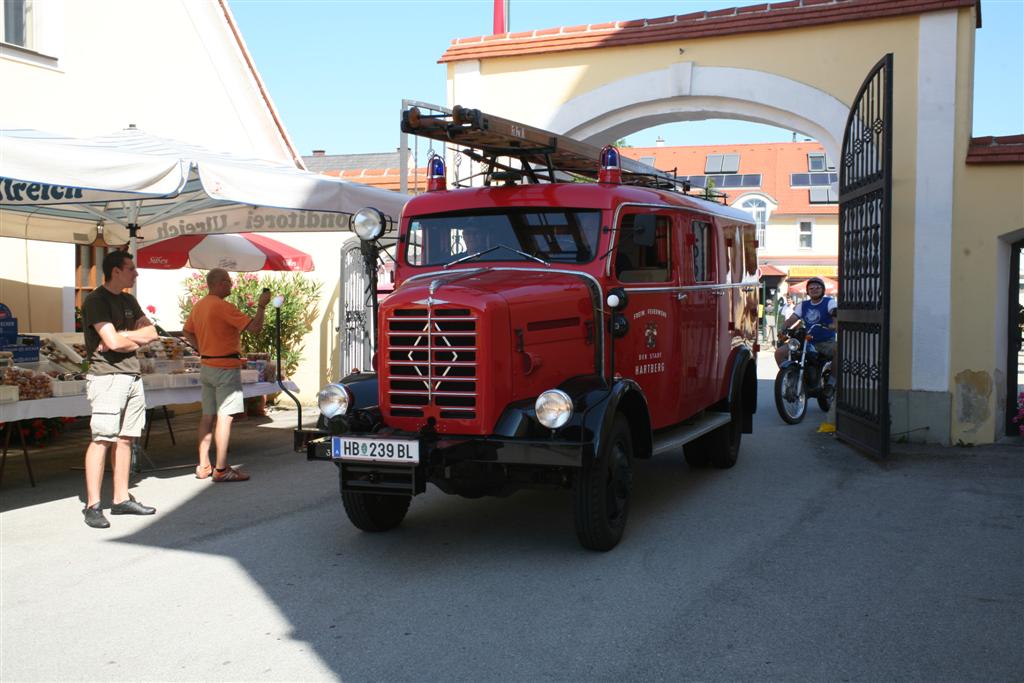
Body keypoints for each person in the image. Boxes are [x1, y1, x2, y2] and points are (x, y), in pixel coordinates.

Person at [80, 251, 160, 528]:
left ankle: (121, 498)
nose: (135, 273)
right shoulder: (95, 300)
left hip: (132, 376)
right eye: (131, 269)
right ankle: (93, 505)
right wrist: (121, 339)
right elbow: (111, 344)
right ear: (115, 271)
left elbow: (152, 334)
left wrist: (124, 336)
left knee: (126, 439)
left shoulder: (128, 300)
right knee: (102, 439)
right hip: (107, 377)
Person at [182, 269, 270, 482]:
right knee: (225, 416)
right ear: (220, 283)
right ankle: (221, 469)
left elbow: (187, 331)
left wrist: (201, 348)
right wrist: (261, 305)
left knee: (207, 416)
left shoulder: (200, 305)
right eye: (229, 282)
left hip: (207, 364)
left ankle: (203, 465)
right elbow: (255, 328)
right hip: (225, 366)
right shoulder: (223, 307)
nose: (231, 286)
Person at [775, 277, 838, 368]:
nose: (814, 290)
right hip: (806, 341)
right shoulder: (803, 305)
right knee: (779, 353)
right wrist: (783, 328)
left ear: (823, 290)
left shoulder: (829, 302)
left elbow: (835, 313)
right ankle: (789, 376)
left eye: (818, 288)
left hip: (825, 342)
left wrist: (834, 324)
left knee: (839, 352)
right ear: (807, 291)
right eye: (811, 288)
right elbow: (792, 319)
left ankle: (833, 379)